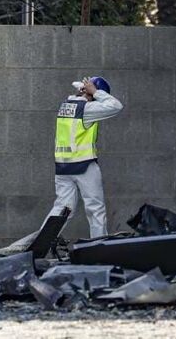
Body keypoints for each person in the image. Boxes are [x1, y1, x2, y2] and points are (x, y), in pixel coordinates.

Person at [48, 76, 123, 238]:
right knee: (95, 209)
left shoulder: (66, 105)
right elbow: (116, 106)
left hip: (63, 167)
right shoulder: (87, 109)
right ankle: (98, 248)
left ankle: (41, 243)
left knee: (62, 208)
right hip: (84, 166)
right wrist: (96, 92)